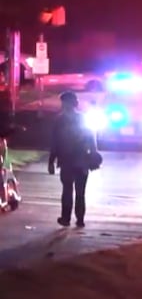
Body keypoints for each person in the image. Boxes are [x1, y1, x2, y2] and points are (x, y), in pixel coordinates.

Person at [48, 92, 97, 227]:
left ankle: (66, 218)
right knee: (80, 192)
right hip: (81, 161)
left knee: (67, 191)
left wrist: (51, 161)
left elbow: (55, 143)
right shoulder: (83, 119)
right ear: (76, 103)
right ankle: (80, 220)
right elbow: (91, 139)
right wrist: (94, 154)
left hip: (67, 161)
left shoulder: (59, 121)